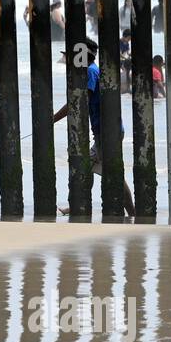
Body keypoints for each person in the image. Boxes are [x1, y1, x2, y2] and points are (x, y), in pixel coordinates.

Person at [50, 36, 134, 217]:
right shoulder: (93, 70)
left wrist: (53, 119)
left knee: (113, 175)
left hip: (107, 133)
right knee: (87, 168)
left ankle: (133, 212)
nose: (68, 60)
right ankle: (77, 205)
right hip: (105, 131)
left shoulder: (89, 72)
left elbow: (79, 102)